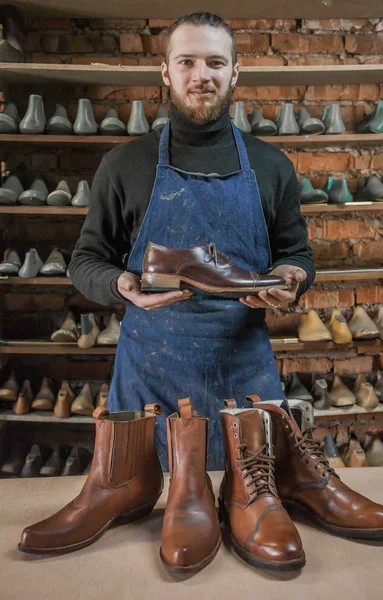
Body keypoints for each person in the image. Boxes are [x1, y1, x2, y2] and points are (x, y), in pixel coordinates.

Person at [69, 12, 315, 470]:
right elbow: (86, 260)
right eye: (186, 62)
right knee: (149, 514)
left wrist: (291, 276)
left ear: (235, 72)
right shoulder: (124, 164)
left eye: (215, 63)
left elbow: (296, 254)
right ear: (166, 72)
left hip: (244, 368)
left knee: (251, 507)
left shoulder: (271, 165)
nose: (200, 76)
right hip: (149, 372)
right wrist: (118, 283)